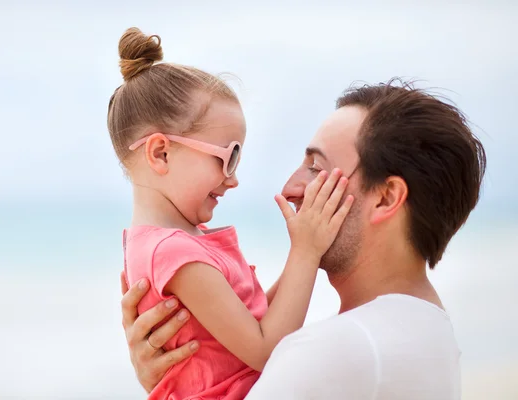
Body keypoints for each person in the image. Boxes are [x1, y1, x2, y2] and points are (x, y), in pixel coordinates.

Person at [120, 78, 487, 399]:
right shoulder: (427, 332)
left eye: (316, 168)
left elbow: (271, 350)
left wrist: (161, 384)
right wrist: (188, 372)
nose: (291, 188)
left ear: (386, 197)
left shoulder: (332, 354)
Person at [108, 27, 354, 400]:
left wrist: (307, 250)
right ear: (161, 153)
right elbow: (265, 350)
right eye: (228, 156)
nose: (234, 179)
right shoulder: (175, 253)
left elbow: (258, 323)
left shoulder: (180, 243)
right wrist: (305, 251)